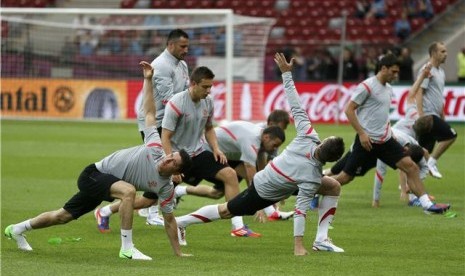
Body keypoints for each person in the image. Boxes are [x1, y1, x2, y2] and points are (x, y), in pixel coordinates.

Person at [4, 61, 193, 260]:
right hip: (94, 175)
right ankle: (127, 248)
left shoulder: (165, 188)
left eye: (173, 161)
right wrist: (147, 79)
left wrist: (178, 253)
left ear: (176, 172)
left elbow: (170, 220)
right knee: (128, 191)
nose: (168, 158)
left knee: (62, 216)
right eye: (171, 154)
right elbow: (149, 113)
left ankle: (16, 229)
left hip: (108, 183)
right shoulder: (155, 148)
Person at [175, 53, 346, 255]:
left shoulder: (308, 137)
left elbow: (295, 104)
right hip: (265, 188)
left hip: (285, 181)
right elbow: (300, 210)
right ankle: (180, 222)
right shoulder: (311, 176)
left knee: (333, 186)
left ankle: (321, 239)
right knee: (227, 210)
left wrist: (286, 74)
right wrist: (297, 246)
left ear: (322, 143)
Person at [98, 66, 261, 240]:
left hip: (198, 153)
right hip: (176, 157)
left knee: (230, 174)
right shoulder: (177, 103)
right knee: (148, 201)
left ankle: (238, 226)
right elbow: (166, 137)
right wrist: (172, 167)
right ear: (193, 84)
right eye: (205, 87)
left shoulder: (208, 102)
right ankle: (105, 211)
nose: (208, 91)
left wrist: (215, 148)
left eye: (210, 87)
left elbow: (209, 128)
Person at [330, 53, 450, 214]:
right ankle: (313, 192)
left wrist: (388, 131)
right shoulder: (366, 86)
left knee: (411, 167)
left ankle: (427, 205)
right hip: (367, 142)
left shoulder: (389, 89)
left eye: (397, 72)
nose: (396, 75)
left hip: (385, 140)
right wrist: (362, 134)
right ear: (383, 68)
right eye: (393, 72)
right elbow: (349, 110)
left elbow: (382, 114)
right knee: (345, 177)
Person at [173, 120, 292, 221]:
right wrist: (259, 206)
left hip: (229, 155)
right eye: (275, 145)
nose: (275, 149)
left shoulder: (263, 136)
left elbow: (262, 171)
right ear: (266, 137)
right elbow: (252, 178)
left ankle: (179, 191)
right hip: (206, 150)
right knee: (174, 176)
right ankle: (239, 223)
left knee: (217, 193)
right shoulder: (251, 141)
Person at [135, 29, 190, 226]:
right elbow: (170, 101)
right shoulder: (161, 66)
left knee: (167, 168)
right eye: (183, 46)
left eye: (187, 46)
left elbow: (185, 93)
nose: (186, 50)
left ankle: (149, 209)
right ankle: (150, 213)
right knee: (161, 168)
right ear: (171, 45)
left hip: (168, 122)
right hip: (155, 123)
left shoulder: (182, 65)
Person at [415, 42, 458, 179]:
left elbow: (439, 96)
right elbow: (419, 92)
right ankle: (432, 162)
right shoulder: (427, 70)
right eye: (442, 51)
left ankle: (413, 193)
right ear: (433, 53)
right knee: (451, 135)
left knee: (421, 156)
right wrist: (421, 115)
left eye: (445, 51)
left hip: (435, 115)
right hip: (428, 116)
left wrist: (443, 116)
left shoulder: (441, 72)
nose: (446, 54)